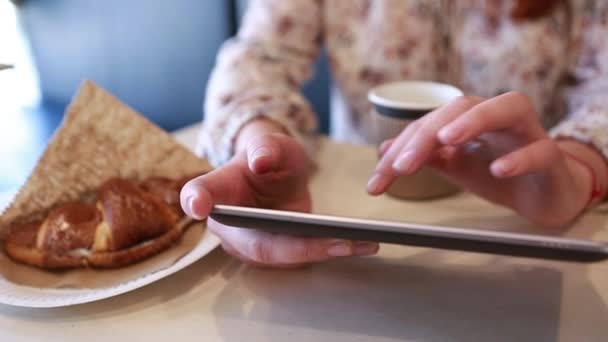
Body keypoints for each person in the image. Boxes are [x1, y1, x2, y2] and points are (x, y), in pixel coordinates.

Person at [180, 0, 608, 268]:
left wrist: (578, 170)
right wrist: (259, 145)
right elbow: (258, 59)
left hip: (527, 227)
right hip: (361, 208)